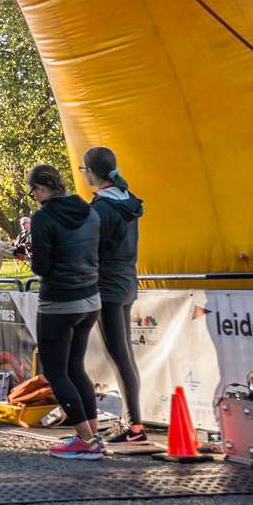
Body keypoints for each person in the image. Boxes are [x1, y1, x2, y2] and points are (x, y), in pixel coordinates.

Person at [27, 162, 104, 460]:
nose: (33, 195)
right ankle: (93, 434)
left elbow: (41, 267)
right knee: (76, 367)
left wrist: (29, 254)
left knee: (56, 372)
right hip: (90, 298)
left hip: (59, 302)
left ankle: (85, 440)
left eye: (33, 190)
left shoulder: (43, 219)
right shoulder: (89, 211)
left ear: (43, 189)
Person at [82, 146, 148, 448]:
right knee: (125, 356)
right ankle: (133, 420)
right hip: (127, 281)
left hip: (107, 285)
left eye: (84, 170)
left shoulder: (101, 208)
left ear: (92, 172)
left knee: (119, 356)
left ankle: (133, 424)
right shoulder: (128, 200)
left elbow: (88, 250)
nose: (83, 175)